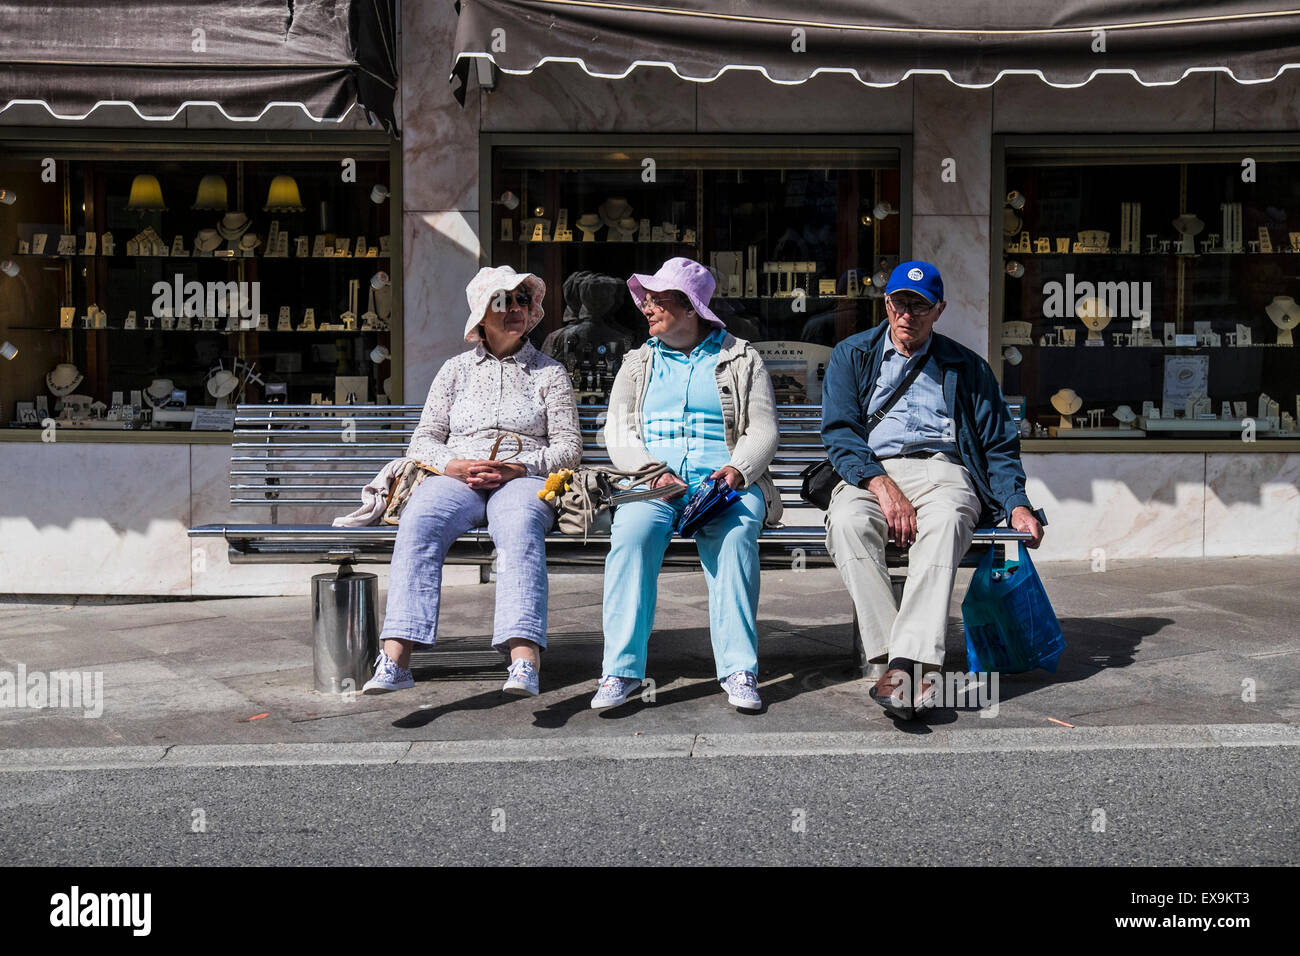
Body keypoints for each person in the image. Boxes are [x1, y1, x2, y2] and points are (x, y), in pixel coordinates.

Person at [821, 260, 1044, 720]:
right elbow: (840, 432)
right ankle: (897, 661)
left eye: (920, 306)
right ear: (887, 305)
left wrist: (1016, 504)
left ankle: (903, 666)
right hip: (870, 472)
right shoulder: (852, 354)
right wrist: (880, 483)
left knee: (944, 524)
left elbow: (998, 444)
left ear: (938, 310)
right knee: (846, 523)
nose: (908, 314)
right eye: (900, 302)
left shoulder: (966, 365)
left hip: (943, 472)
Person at [363, 265, 582, 697]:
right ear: (482, 313)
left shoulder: (549, 373)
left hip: (522, 475)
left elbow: (569, 448)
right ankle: (396, 660)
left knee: (520, 528)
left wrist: (518, 468)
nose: (516, 308)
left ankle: (524, 662)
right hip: (457, 476)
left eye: (522, 299)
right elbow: (422, 441)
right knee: (420, 520)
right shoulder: (455, 371)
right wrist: (455, 465)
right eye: (503, 301)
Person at [592, 257, 782, 711]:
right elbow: (617, 432)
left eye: (659, 300)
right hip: (653, 480)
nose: (648, 308)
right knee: (632, 536)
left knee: (736, 537)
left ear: (692, 308)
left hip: (723, 482)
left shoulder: (740, 357)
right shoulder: (637, 363)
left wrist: (738, 470)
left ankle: (739, 669)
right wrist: (648, 469)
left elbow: (763, 429)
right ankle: (620, 670)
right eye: (648, 300)